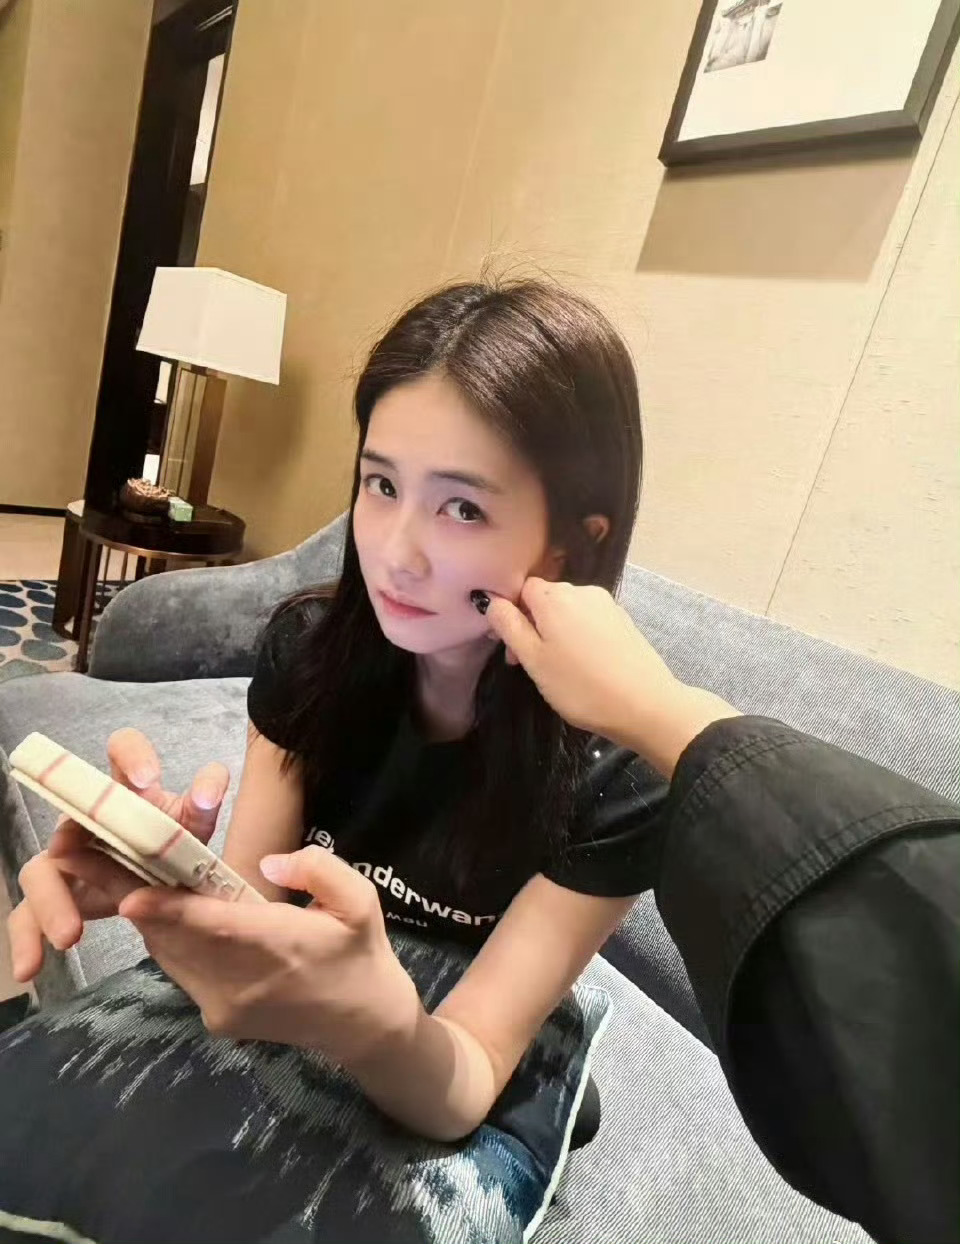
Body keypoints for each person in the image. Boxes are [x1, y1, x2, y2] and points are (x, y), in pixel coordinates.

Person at [6, 281, 958, 1244]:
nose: (396, 553)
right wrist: (161, 883)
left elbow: (462, 1081)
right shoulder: (310, 657)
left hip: (441, 1059)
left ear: (570, 545)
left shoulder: (615, 773)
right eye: (381, 485)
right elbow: (251, 909)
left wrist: (376, 1025)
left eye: (462, 508)